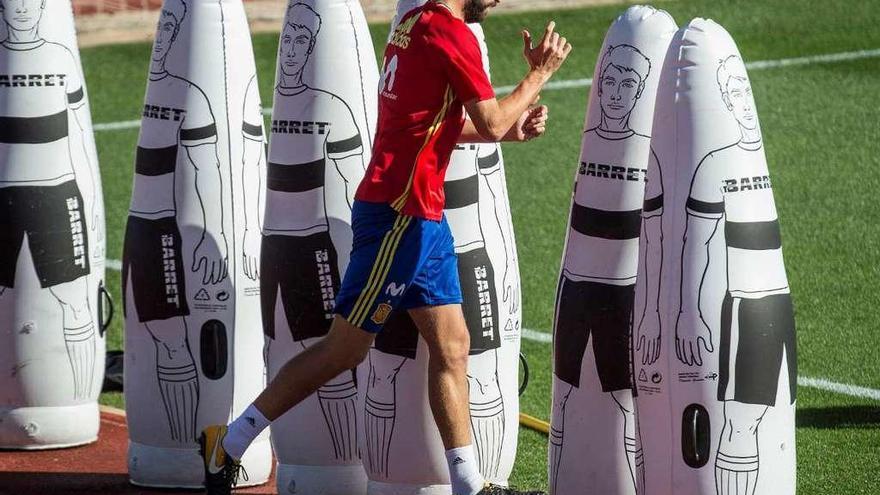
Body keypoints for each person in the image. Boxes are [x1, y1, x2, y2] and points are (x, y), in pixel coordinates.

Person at [199, 1, 570, 493]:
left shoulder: (415, 23)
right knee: (343, 350)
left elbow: (424, 122)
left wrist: (507, 132)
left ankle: (468, 486)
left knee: (452, 346)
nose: (498, 0)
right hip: (400, 215)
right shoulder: (452, 35)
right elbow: (493, 121)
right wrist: (538, 75)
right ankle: (228, 443)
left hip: (422, 217)